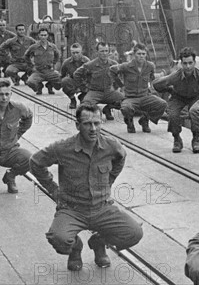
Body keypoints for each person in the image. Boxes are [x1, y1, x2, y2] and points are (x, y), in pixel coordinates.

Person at [29, 102, 143, 271]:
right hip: (72, 209)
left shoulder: (111, 146)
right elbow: (36, 162)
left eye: (97, 123)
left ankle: (99, 242)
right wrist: (53, 189)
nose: (93, 129)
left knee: (134, 233)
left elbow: (120, 158)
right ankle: (75, 248)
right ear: (77, 125)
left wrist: (109, 180)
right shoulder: (63, 148)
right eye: (87, 124)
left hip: (102, 208)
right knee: (59, 239)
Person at [153, 47, 199, 153]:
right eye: (185, 63)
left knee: (195, 111)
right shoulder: (175, 76)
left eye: (190, 63)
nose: (188, 66)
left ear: (194, 62)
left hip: (195, 97)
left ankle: (196, 139)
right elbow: (157, 84)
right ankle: (177, 139)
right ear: (181, 63)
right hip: (178, 97)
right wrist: (169, 89)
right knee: (173, 115)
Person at [109, 42, 167, 133]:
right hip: (130, 98)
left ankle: (145, 119)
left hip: (145, 96)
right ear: (134, 55)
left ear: (146, 54)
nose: (141, 56)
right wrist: (120, 85)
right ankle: (129, 123)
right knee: (125, 108)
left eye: (143, 54)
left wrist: (151, 87)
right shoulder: (126, 66)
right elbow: (112, 70)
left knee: (162, 104)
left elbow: (151, 77)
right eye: (139, 54)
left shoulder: (150, 66)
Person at [74, 42, 124, 121]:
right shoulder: (91, 65)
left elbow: (119, 76)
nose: (104, 53)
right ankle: (90, 104)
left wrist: (120, 87)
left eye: (106, 51)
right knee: (84, 107)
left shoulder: (113, 64)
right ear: (97, 52)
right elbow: (77, 74)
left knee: (127, 101)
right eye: (102, 51)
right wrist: (84, 88)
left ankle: (108, 109)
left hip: (109, 92)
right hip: (95, 92)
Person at [24, 27, 62, 94]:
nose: (43, 37)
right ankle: (39, 86)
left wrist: (54, 63)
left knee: (62, 81)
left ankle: (50, 85)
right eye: (41, 35)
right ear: (38, 36)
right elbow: (26, 56)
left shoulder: (52, 46)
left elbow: (57, 55)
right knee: (30, 82)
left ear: (47, 36)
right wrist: (31, 65)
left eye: (45, 35)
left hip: (50, 70)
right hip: (38, 71)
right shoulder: (34, 47)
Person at [61, 43, 90, 109]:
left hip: (84, 84)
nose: (75, 55)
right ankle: (72, 100)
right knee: (64, 81)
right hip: (73, 82)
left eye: (77, 52)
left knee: (85, 105)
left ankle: (83, 97)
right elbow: (62, 75)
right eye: (73, 53)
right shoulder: (66, 62)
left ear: (81, 52)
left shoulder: (87, 61)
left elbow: (92, 76)